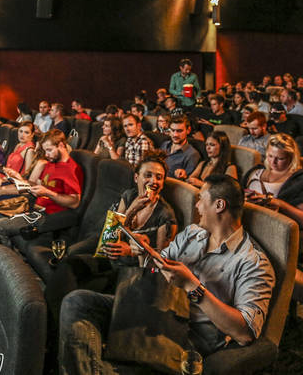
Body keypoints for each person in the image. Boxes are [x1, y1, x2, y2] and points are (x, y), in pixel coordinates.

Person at [59, 175, 275, 369]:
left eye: (201, 199)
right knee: (78, 301)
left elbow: (245, 333)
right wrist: (146, 253)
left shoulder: (253, 262)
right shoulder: (192, 233)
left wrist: (192, 286)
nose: (197, 206)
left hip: (189, 334)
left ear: (219, 205)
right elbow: (155, 270)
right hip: (156, 306)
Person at [45, 150, 178, 325]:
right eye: (148, 175)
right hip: (110, 260)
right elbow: (109, 236)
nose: (153, 181)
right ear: (136, 178)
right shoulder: (129, 196)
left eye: (159, 177)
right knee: (67, 267)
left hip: (130, 274)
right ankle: (49, 326)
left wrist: (131, 250)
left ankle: (54, 331)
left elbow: (158, 267)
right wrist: (131, 210)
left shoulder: (165, 215)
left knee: (74, 290)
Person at [0, 129, 83, 244]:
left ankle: (5, 258)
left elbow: (75, 202)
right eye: (45, 151)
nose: (46, 154)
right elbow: (37, 185)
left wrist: (47, 193)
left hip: (49, 215)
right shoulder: (51, 162)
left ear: (61, 145)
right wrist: (17, 177)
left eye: (49, 150)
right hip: (34, 205)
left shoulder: (71, 169)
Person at [241, 133, 303, 232]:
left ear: (291, 158)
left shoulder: (300, 180)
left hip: (272, 229)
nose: (273, 162)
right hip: (245, 220)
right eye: (270, 156)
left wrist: (278, 203)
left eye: (280, 158)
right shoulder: (255, 171)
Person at [159, 114, 201, 180]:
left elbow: (188, 183)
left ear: (188, 130)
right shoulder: (165, 145)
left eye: (179, 131)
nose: (175, 135)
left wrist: (184, 176)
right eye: (173, 130)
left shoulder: (192, 154)